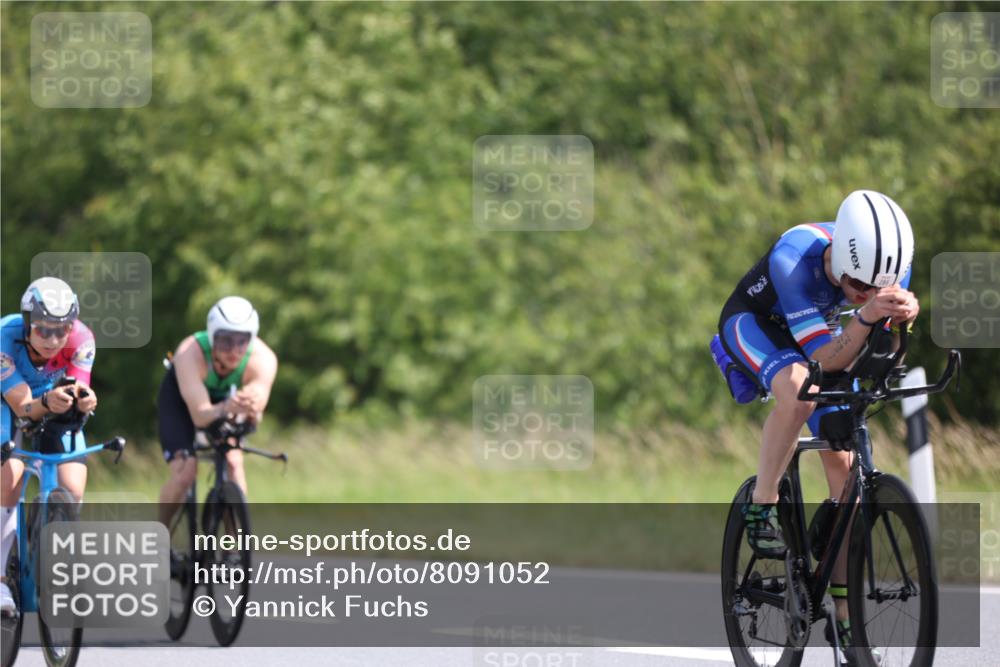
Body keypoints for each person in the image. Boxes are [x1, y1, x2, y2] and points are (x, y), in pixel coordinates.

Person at [715, 190, 918, 662]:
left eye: (877, 289)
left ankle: (846, 621)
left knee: (847, 473)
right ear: (840, 261)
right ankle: (762, 504)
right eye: (858, 286)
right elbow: (824, 359)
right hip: (757, 326)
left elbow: (877, 347)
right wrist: (868, 314)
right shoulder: (794, 257)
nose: (866, 294)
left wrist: (904, 317)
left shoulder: (888, 268)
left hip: (824, 335)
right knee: (799, 393)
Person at [1, 277, 99, 613]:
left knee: (72, 486)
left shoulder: (83, 339)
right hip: (8, 400)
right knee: (10, 475)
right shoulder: (4, 338)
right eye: (43, 330)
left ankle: (51, 546)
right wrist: (47, 402)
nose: (54, 340)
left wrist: (85, 400)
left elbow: (78, 387)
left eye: (62, 330)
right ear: (27, 322)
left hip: (50, 398)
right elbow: (22, 407)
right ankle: (0, 578)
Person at [157, 296, 277, 527]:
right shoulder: (190, 353)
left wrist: (251, 403)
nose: (234, 350)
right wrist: (226, 407)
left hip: (227, 400)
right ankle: (160, 533)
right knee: (185, 472)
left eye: (242, 341)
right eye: (225, 340)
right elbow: (200, 416)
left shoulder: (263, 359)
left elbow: (257, 412)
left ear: (252, 338)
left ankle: (236, 540)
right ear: (212, 336)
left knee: (234, 462)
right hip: (183, 401)